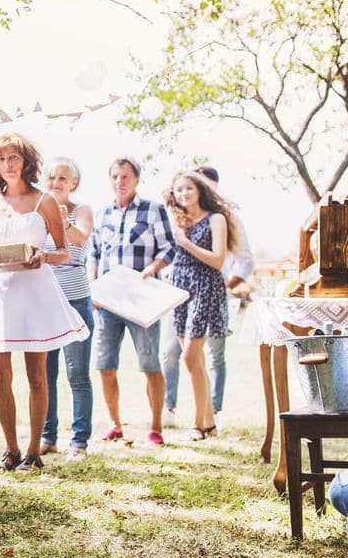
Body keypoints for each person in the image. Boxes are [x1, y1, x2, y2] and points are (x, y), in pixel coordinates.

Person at [0, 134, 89, 473]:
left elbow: (64, 252)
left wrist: (44, 255)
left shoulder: (43, 201)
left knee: (37, 376)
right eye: (2, 159)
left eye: (14, 158)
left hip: (34, 292)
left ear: (26, 162)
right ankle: (10, 449)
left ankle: (33, 452)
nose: (8, 164)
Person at [91, 158, 176, 446]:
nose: (120, 181)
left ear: (137, 179)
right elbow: (94, 254)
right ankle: (115, 425)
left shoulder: (153, 210)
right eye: (115, 176)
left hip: (142, 300)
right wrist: (95, 289)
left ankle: (155, 427)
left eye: (125, 176)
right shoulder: (102, 213)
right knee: (105, 365)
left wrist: (152, 270)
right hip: (108, 303)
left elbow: (169, 247)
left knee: (150, 364)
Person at [161, 165, 254, 425]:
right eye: (178, 189)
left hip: (205, 287)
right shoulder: (176, 221)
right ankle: (209, 423)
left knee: (191, 357)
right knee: (195, 360)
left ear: (200, 189)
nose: (184, 192)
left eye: (189, 187)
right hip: (179, 290)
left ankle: (197, 422)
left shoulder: (216, 219)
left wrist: (186, 243)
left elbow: (217, 260)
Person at [39, 158, 95, 461]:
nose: (55, 182)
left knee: (77, 374)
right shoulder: (38, 211)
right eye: (51, 177)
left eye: (63, 178)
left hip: (76, 302)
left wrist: (64, 220)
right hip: (45, 303)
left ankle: (79, 441)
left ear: (73, 183)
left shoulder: (81, 210)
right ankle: (48, 436)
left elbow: (81, 238)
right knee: (45, 375)